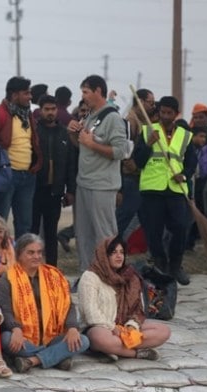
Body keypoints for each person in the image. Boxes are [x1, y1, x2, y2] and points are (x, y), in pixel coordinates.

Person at [0, 234, 90, 372]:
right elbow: (5, 309)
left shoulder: (53, 276)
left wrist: (72, 328)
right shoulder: (9, 278)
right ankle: (57, 357)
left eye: (39, 252)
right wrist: (15, 328)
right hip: (22, 336)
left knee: (83, 341)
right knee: (5, 339)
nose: (37, 256)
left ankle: (32, 360)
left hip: (52, 336)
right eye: (31, 252)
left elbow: (68, 305)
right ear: (19, 255)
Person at [67, 75, 130, 273]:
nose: (83, 96)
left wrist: (92, 143)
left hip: (102, 185)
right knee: (84, 235)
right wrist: (72, 133)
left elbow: (121, 152)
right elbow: (82, 146)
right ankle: (88, 276)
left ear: (98, 91)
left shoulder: (113, 118)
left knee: (105, 234)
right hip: (84, 182)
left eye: (86, 92)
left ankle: (111, 275)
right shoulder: (90, 116)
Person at [133, 95, 197, 285]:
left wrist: (184, 175)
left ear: (176, 114)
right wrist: (148, 145)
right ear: (158, 112)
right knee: (154, 231)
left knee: (180, 227)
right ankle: (160, 264)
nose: (166, 116)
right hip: (152, 189)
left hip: (176, 189)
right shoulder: (147, 132)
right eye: (163, 112)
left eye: (170, 113)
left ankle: (176, 266)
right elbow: (138, 161)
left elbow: (192, 162)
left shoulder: (185, 135)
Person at [78, 236, 171, 360]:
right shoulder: (90, 277)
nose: (119, 256)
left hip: (123, 326)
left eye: (122, 252)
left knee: (163, 331)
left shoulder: (130, 277)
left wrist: (131, 326)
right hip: (100, 327)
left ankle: (113, 350)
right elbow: (91, 313)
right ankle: (136, 353)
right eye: (114, 252)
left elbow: (137, 310)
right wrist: (113, 328)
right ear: (104, 255)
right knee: (101, 338)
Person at [0, 76, 42, 238]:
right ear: (14, 95)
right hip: (7, 175)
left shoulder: (27, 115)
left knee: (25, 223)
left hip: (28, 176)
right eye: (26, 93)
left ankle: (21, 261)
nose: (30, 97)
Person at [32, 94, 76, 266]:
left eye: (53, 109)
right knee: (33, 232)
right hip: (35, 190)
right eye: (47, 109)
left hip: (55, 192)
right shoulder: (34, 132)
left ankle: (52, 271)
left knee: (51, 233)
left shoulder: (65, 133)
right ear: (40, 111)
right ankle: (31, 270)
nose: (50, 113)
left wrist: (70, 191)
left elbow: (71, 165)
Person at [119, 89, 155, 238]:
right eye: (150, 103)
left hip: (141, 177)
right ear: (140, 102)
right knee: (123, 217)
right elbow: (124, 148)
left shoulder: (143, 121)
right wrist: (130, 164)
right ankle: (110, 247)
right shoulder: (130, 121)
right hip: (130, 177)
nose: (153, 106)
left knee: (146, 219)